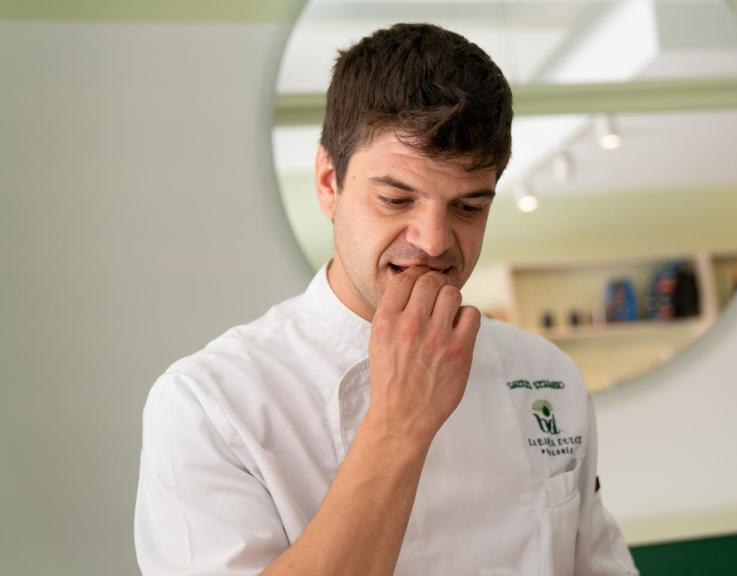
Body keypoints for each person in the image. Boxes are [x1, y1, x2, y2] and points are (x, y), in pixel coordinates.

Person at [134, 23, 639, 576]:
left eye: (468, 208)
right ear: (329, 182)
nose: (435, 241)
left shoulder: (547, 375)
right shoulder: (209, 405)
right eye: (397, 199)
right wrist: (402, 419)